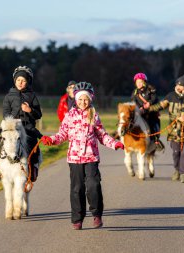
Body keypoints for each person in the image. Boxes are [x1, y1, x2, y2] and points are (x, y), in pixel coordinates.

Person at [41, 82, 124, 230]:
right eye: (80, 99)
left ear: (90, 99)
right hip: (74, 158)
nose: (82, 102)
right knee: (77, 188)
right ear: (75, 100)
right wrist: (51, 140)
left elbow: (102, 135)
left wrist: (114, 143)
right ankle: (77, 219)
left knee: (93, 185)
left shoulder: (94, 115)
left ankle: (97, 215)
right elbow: (62, 134)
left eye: (85, 99)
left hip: (91, 157)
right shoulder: (69, 116)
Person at [0, 66, 42, 182]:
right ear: (15, 81)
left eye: (23, 80)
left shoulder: (32, 96)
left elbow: (38, 114)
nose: (20, 82)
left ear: (28, 82)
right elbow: (6, 114)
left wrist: (30, 110)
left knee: (33, 143)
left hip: (27, 127)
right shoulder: (8, 96)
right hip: (11, 127)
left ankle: (33, 167)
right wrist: (12, 121)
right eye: (18, 80)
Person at [149, 74, 184, 183]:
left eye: (181, 86)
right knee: (176, 152)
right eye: (177, 85)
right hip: (173, 131)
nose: (178, 87)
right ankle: (177, 171)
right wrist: (148, 109)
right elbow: (160, 106)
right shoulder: (170, 96)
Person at [131, 72, 164, 151]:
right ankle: (123, 134)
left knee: (154, 121)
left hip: (150, 111)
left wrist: (150, 103)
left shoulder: (150, 89)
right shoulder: (135, 92)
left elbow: (154, 98)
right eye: (137, 82)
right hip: (140, 112)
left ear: (144, 82)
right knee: (129, 120)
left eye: (140, 82)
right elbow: (133, 101)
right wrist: (139, 107)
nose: (138, 84)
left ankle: (156, 139)